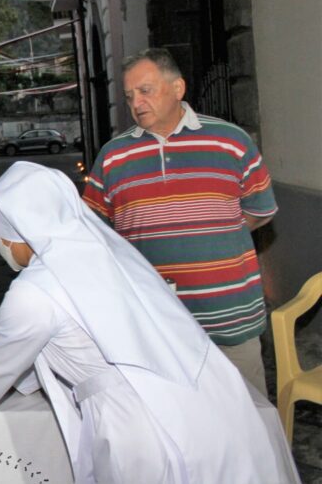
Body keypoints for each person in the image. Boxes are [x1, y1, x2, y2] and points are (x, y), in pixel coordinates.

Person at [0, 162, 296, 484]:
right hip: (206, 402)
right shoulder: (109, 254)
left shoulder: (34, 290)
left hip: (139, 425)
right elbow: (45, 351)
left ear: (20, 231)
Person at [82, 48, 276, 395]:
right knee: (175, 430)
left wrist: (210, 236)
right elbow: (94, 231)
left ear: (178, 88)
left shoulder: (231, 142)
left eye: (145, 90)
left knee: (251, 422)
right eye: (129, 96)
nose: (136, 103)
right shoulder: (113, 157)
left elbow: (259, 212)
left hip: (229, 318)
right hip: (154, 327)